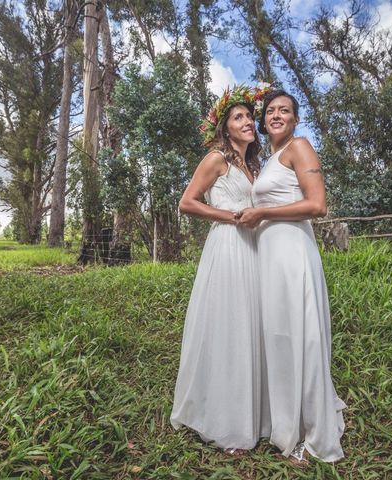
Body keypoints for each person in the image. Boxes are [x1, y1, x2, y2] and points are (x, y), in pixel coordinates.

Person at [238, 89, 346, 462]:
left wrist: (264, 214)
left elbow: (317, 204)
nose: (276, 115)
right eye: (270, 111)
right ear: (263, 120)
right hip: (268, 256)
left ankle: (311, 428)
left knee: (299, 335)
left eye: (285, 110)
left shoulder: (299, 146)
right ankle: (282, 417)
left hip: (292, 253)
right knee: (279, 335)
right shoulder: (268, 161)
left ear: (296, 119)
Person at [170, 86, 271, 452]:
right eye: (238, 117)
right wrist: (231, 216)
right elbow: (187, 202)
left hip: (257, 249)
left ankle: (256, 413)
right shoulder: (217, 160)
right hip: (228, 247)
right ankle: (225, 420)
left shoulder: (255, 165)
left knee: (254, 325)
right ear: (226, 128)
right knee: (231, 325)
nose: (247, 122)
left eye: (248, 117)